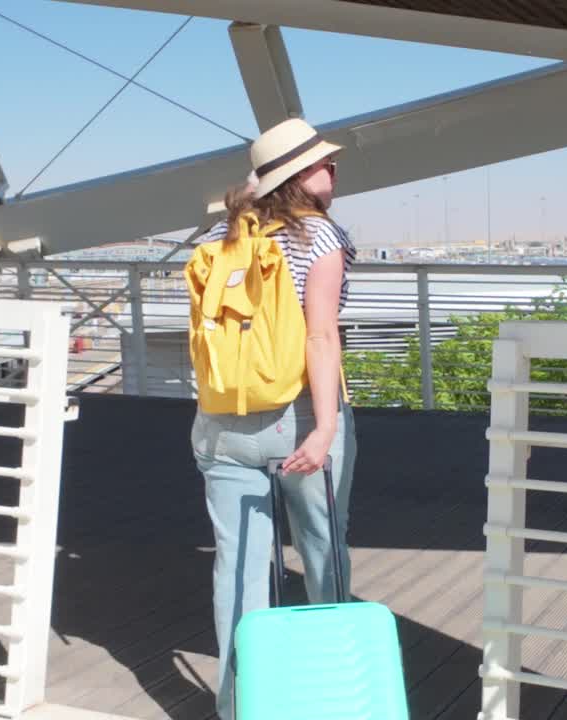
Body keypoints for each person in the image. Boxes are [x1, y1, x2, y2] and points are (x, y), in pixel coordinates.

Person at [189, 118, 357, 720]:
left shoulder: (220, 235)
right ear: (299, 178)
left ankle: (242, 709)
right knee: (322, 558)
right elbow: (320, 337)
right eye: (324, 165)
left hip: (221, 423)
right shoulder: (320, 237)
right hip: (298, 420)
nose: (334, 172)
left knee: (237, 572)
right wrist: (326, 427)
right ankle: (328, 699)